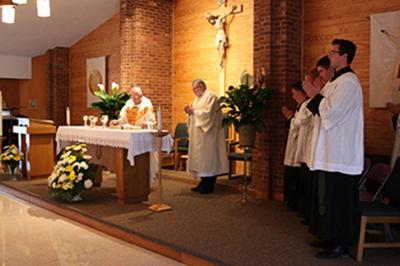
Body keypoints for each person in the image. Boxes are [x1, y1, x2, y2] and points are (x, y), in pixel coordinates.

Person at [302, 39, 364, 259]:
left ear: (344, 56)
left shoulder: (348, 83)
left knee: (340, 199)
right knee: (329, 198)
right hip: (330, 152)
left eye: (333, 52)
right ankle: (330, 236)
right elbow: (322, 110)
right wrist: (314, 96)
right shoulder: (335, 82)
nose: (330, 56)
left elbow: (332, 113)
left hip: (341, 154)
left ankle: (342, 243)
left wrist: (312, 96)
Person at [184, 79, 228, 194]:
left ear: (202, 86)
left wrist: (193, 111)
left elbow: (208, 114)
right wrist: (189, 112)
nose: (194, 92)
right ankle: (203, 182)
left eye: (195, 89)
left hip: (209, 135)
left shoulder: (211, 97)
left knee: (208, 159)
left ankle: (209, 185)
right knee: (201, 160)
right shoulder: (198, 98)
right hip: (198, 135)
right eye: (193, 90)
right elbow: (196, 113)